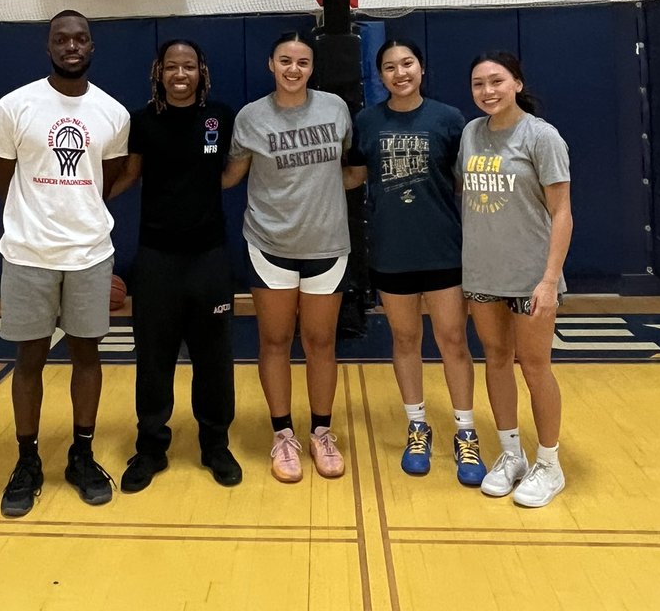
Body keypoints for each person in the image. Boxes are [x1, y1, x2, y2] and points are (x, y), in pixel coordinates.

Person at [0, 10, 129, 517]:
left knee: (87, 357)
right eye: (61, 38)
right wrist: (38, 217)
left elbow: (107, 181)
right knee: (30, 360)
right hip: (28, 253)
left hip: (89, 252)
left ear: (92, 47)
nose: (71, 46)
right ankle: (27, 461)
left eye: (80, 38)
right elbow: (1, 177)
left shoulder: (112, 113)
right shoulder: (14, 106)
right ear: (49, 47)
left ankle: (82, 455)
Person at [346, 39, 486, 486]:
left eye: (407, 64)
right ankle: (417, 426)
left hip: (443, 249)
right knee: (406, 340)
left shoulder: (449, 119)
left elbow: (466, 182)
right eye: (389, 67)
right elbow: (353, 175)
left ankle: (466, 433)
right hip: (391, 252)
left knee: (452, 342)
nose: (399, 73)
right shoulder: (367, 122)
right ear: (380, 75)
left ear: (421, 69)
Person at [108, 39, 241, 493]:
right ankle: (150, 449)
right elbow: (129, 173)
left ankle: (215, 445)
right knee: (154, 358)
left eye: (188, 66)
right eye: (171, 66)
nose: (179, 73)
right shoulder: (143, 121)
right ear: (158, 72)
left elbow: (232, 170)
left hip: (209, 256)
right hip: (157, 258)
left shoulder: (220, 117)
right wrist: (83, 201)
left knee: (214, 359)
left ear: (201, 72)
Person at [222, 31, 352, 483]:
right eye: (285, 61)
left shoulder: (335, 108)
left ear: (311, 68)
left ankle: (321, 431)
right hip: (269, 245)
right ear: (271, 65)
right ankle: (282, 434)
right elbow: (232, 175)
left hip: (327, 244)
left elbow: (350, 169)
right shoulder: (251, 117)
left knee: (320, 343)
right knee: (275, 341)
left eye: (302, 62)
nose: (293, 69)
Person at [459, 51, 572, 508]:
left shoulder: (542, 137)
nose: (487, 91)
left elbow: (562, 213)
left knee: (535, 365)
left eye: (496, 81)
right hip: (483, 272)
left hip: (530, 277)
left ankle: (550, 462)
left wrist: (548, 280)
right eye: (478, 84)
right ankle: (511, 454)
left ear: (517, 84)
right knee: (497, 359)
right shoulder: (470, 133)